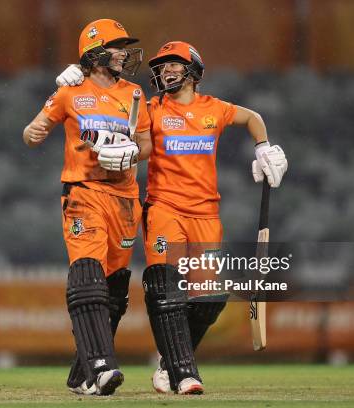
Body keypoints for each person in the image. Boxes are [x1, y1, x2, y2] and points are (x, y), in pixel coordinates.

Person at [55, 40, 288, 395]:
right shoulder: (150, 108)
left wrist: (263, 147)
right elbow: (109, 110)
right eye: (162, 66)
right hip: (163, 208)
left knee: (210, 298)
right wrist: (77, 80)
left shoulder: (215, 109)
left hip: (207, 212)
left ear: (193, 70)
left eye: (174, 64)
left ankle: (166, 363)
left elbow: (252, 118)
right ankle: (183, 374)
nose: (166, 70)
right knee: (166, 292)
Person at [23, 18, 152, 396]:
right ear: (95, 53)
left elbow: (145, 145)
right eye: (117, 47)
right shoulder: (69, 92)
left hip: (126, 199)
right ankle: (101, 365)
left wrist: (132, 153)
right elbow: (32, 133)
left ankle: (81, 375)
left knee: (115, 290)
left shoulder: (134, 94)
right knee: (87, 274)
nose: (124, 54)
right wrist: (34, 129)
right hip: (83, 192)